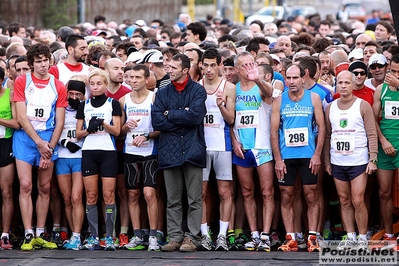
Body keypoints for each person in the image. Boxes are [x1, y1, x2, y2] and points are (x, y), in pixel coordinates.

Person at [13, 43, 67, 251]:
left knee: (45, 187)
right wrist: (38, 143)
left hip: (48, 138)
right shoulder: (22, 81)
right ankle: (28, 233)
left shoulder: (58, 85)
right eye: (39, 61)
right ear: (32, 63)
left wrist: (49, 148)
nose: (43, 65)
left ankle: (39, 232)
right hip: (26, 138)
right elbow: (20, 116)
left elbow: (60, 121)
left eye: (46, 60)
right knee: (26, 185)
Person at [151, 54, 207, 252]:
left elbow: (195, 117)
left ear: (185, 70)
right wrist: (181, 113)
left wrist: (170, 114)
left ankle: (192, 238)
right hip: (169, 150)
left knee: (194, 199)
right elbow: (157, 121)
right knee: (172, 199)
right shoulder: (163, 92)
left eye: (174, 67)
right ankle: (174, 237)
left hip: (193, 149)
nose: (169, 70)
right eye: (168, 66)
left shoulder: (198, 91)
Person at [270, 64, 325, 252]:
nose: (291, 82)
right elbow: (273, 131)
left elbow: (322, 127)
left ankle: (312, 237)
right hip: (287, 155)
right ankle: (290, 237)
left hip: (308, 155)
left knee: (311, 193)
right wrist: (277, 159)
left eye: (295, 78)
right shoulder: (279, 101)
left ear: (304, 78)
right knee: (286, 195)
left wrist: (317, 154)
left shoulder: (314, 98)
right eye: (288, 78)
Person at [324, 70, 377, 251]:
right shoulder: (330, 108)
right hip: (338, 160)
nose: (344, 86)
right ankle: (350, 236)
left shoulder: (363, 105)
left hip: (359, 161)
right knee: (344, 200)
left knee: (358, 200)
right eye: (341, 83)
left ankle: (362, 236)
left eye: (347, 83)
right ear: (336, 84)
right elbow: (327, 136)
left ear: (354, 85)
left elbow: (372, 134)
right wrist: (327, 161)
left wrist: (373, 159)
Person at [231, 51, 275, 251]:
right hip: (242, 146)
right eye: (245, 65)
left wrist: (257, 80)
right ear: (238, 69)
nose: (249, 67)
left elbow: (270, 95)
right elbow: (229, 119)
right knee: (247, 192)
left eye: (252, 63)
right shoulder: (234, 89)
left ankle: (266, 235)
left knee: (267, 192)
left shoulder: (261, 85)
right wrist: (234, 140)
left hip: (262, 146)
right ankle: (254, 234)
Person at [76, 69, 122, 251]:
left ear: (105, 85)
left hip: (108, 152)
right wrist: (89, 128)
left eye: (99, 84)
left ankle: (109, 237)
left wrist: (102, 123)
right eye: (92, 84)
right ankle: (94, 236)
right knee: (91, 195)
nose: (95, 87)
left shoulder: (113, 103)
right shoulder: (84, 105)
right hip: (89, 152)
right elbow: (79, 134)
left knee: (108, 195)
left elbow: (117, 131)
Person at [197, 48, 235, 251]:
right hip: (201, 146)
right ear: (201, 65)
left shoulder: (228, 87)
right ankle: (204, 235)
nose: (209, 69)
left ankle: (221, 235)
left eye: (213, 65)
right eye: (206, 65)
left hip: (222, 145)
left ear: (220, 65)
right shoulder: (197, 87)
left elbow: (231, 119)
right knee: (201, 192)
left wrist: (221, 106)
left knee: (223, 192)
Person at [119, 64, 160, 251]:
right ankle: (137, 235)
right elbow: (118, 130)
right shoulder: (123, 100)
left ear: (147, 79)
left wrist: (147, 135)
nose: (133, 81)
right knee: (133, 195)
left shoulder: (154, 98)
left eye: (137, 77)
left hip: (150, 151)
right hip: (130, 152)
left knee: (149, 194)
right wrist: (126, 126)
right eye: (131, 77)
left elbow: (162, 128)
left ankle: (153, 235)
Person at [103, 57, 132, 247]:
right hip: (103, 149)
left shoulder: (128, 93)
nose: (121, 72)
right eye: (116, 68)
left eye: (123, 68)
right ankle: (108, 232)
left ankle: (123, 233)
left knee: (124, 192)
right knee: (106, 194)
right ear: (106, 71)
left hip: (123, 148)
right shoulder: (99, 91)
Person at [372, 53, 399, 243]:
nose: (394, 75)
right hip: (385, 145)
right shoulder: (380, 89)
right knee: (384, 192)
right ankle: (389, 234)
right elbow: (372, 119)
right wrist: (382, 140)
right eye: (393, 71)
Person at [56, 79, 85, 250]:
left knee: (76, 198)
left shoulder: (84, 109)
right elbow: (54, 128)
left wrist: (78, 144)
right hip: (61, 156)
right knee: (67, 199)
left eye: (78, 95)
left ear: (82, 96)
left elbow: (89, 130)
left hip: (80, 156)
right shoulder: (60, 109)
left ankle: (77, 235)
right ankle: (73, 234)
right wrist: (65, 142)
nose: (73, 97)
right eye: (71, 94)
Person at [0, 67, 20, 249]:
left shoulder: (9, 95)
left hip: (5, 144)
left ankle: (5, 233)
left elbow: (17, 123)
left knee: (6, 191)